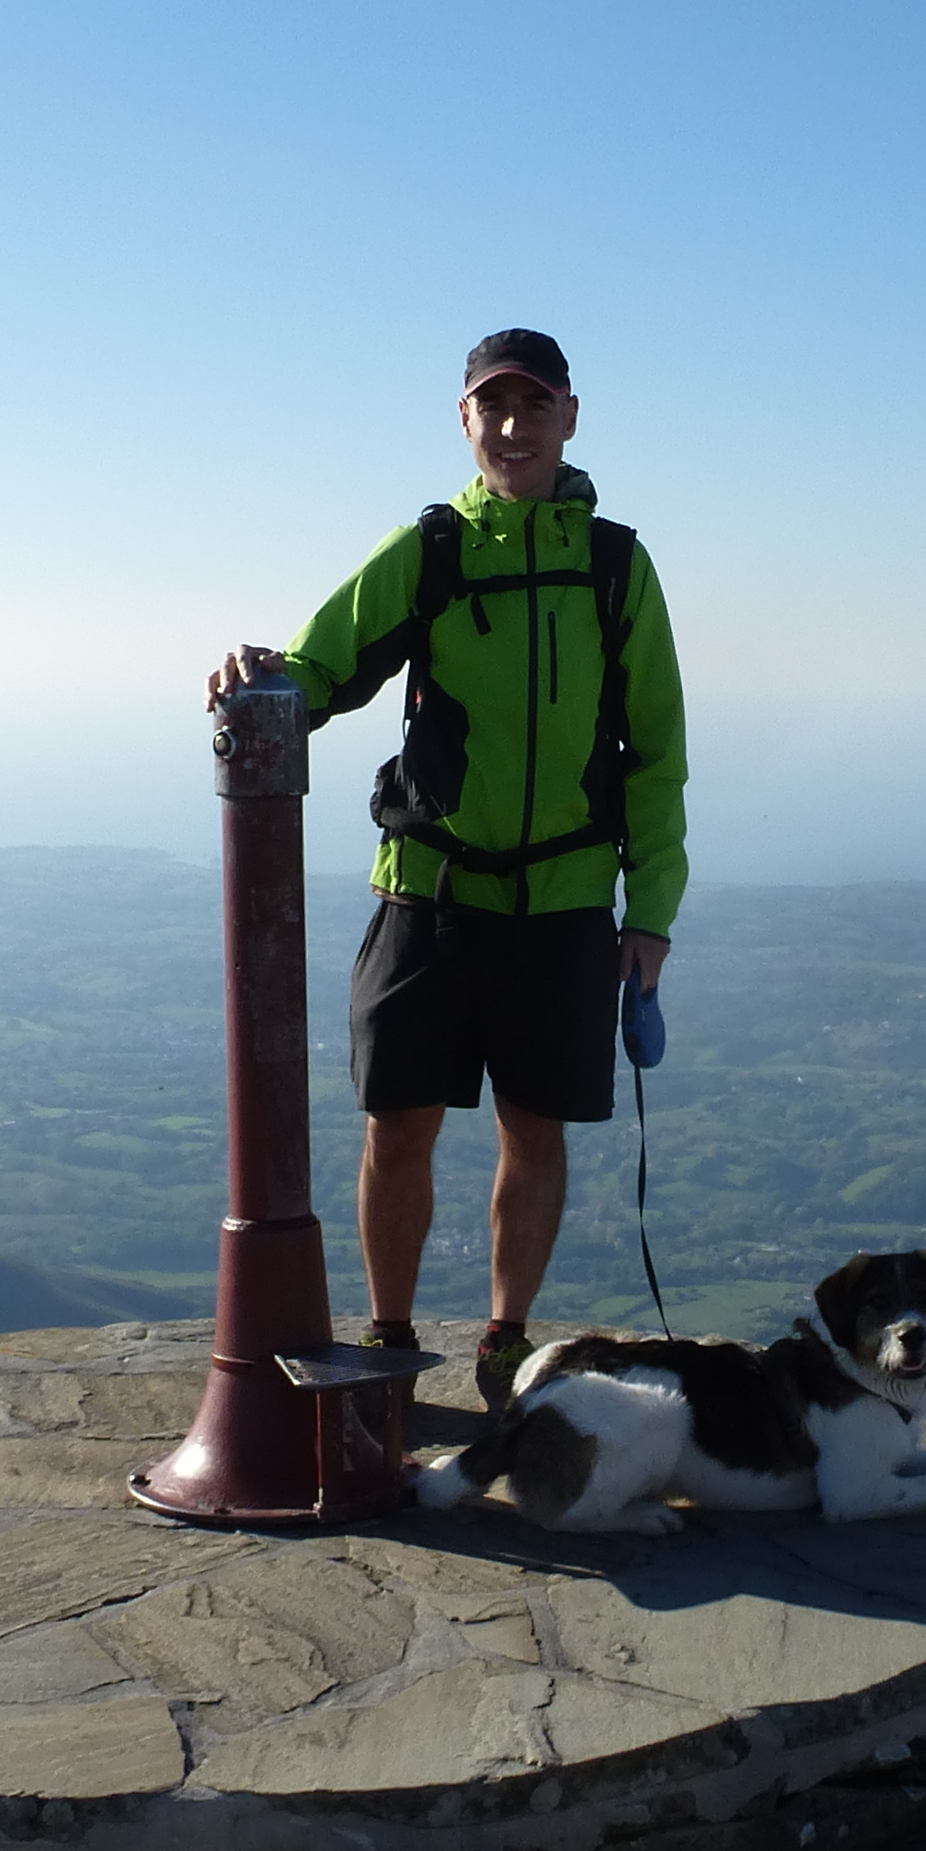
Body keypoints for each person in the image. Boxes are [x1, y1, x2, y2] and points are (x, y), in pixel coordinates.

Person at [212, 329, 687, 1408]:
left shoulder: (615, 565)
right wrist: (259, 667)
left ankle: (503, 1344)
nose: (512, 429)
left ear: (570, 416)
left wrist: (649, 912)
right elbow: (320, 666)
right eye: (492, 408)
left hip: (563, 904)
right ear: (464, 422)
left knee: (536, 1128)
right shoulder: (428, 549)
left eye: (533, 407)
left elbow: (657, 755)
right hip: (427, 893)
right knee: (399, 1123)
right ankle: (385, 1340)